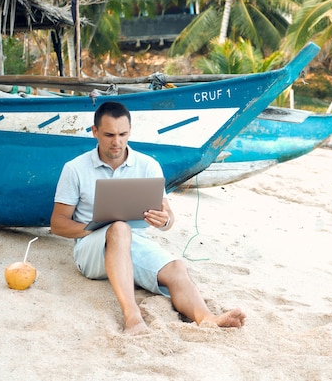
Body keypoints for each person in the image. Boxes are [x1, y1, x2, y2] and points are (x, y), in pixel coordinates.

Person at [50, 101, 246, 335]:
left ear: (130, 131)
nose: (117, 142)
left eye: (123, 134)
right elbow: (58, 223)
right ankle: (132, 318)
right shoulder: (75, 169)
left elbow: (169, 219)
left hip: (133, 244)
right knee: (119, 228)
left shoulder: (147, 165)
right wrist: (94, 228)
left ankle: (206, 317)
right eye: (109, 134)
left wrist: (163, 221)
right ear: (94, 132)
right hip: (90, 250)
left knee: (176, 267)